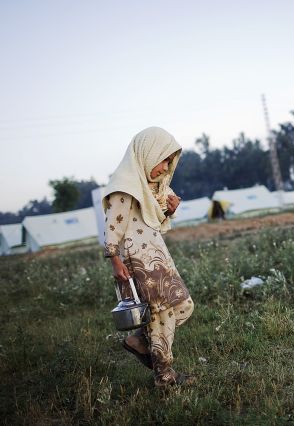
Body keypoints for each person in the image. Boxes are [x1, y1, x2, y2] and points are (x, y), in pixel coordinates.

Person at [103, 127, 194, 387]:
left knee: (183, 306)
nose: (166, 167)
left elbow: (153, 222)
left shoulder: (149, 187)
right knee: (161, 315)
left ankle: (140, 341)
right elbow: (113, 226)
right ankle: (165, 376)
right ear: (147, 153)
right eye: (163, 159)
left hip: (158, 255)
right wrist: (114, 260)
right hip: (138, 261)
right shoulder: (125, 187)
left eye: (169, 160)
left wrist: (168, 211)